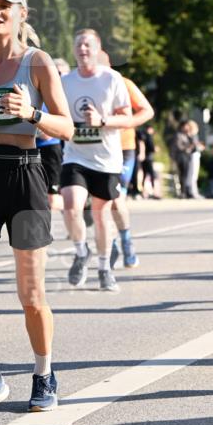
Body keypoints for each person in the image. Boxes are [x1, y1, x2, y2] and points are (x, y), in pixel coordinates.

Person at [0, 0, 73, 415]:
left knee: (31, 295)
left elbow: (67, 126)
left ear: (22, 14)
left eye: (4, 6)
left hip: (25, 177)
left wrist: (31, 113)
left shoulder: (37, 62)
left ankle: (43, 374)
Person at [60, 29, 132, 292]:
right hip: (75, 156)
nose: (83, 49)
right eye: (78, 45)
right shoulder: (65, 81)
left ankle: (104, 268)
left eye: (87, 45)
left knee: (101, 216)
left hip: (105, 159)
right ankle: (81, 252)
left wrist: (102, 121)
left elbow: (127, 117)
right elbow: (56, 113)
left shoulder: (112, 79)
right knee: (71, 207)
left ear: (98, 49)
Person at [98, 53, 155, 269]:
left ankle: (125, 240)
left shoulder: (123, 83)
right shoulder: (79, 83)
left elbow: (147, 111)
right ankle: (111, 242)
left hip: (122, 148)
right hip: (93, 151)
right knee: (98, 202)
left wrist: (125, 123)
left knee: (115, 198)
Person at [35, 57, 70, 213]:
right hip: (34, 148)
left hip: (53, 148)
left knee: (53, 197)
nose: (56, 75)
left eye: (60, 73)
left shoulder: (68, 93)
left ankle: (78, 207)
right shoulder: (39, 90)